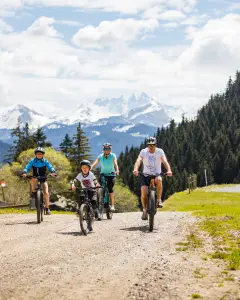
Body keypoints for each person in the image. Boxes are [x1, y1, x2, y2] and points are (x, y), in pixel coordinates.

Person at [133, 137, 172, 220]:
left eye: (153, 145)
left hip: (156, 175)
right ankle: (144, 209)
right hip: (145, 175)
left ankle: (158, 200)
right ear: (147, 145)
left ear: (155, 145)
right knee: (143, 191)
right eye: (149, 145)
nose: (151, 147)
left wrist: (169, 170)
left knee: (159, 180)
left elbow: (165, 161)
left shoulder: (160, 151)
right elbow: (138, 161)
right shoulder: (144, 152)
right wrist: (136, 169)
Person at [22, 147, 56, 215]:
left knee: (46, 193)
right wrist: (25, 172)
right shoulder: (32, 161)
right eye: (37, 154)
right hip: (35, 177)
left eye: (40, 154)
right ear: (36, 154)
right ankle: (34, 193)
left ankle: (47, 208)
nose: (39, 155)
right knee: (32, 179)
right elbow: (27, 167)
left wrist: (53, 171)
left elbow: (50, 166)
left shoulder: (45, 161)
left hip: (43, 177)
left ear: (43, 154)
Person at [91, 143, 119, 211]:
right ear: (103, 149)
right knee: (100, 188)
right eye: (105, 148)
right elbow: (95, 163)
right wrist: (90, 168)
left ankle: (112, 205)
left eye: (108, 148)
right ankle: (100, 200)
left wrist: (117, 170)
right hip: (103, 174)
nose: (106, 150)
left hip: (111, 175)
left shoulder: (113, 155)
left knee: (110, 188)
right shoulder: (100, 156)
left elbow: (115, 163)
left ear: (110, 149)